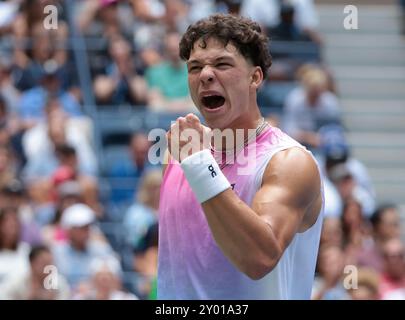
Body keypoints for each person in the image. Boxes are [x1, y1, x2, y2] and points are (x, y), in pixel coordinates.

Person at [158, 14, 323, 299]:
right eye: (195, 67)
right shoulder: (177, 156)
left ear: (255, 77)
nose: (205, 75)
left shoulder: (288, 162)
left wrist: (199, 165)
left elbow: (259, 258)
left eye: (222, 64)